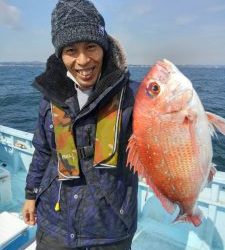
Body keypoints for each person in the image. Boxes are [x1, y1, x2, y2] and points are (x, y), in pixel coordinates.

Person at [22, 0, 139, 249]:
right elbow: (43, 151)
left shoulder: (132, 97)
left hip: (110, 229)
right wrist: (31, 195)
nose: (83, 60)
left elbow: (158, 145)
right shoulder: (51, 97)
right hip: (54, 223)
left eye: (91, 46)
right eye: (71, 50)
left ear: (104, 48)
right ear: (60, 55)